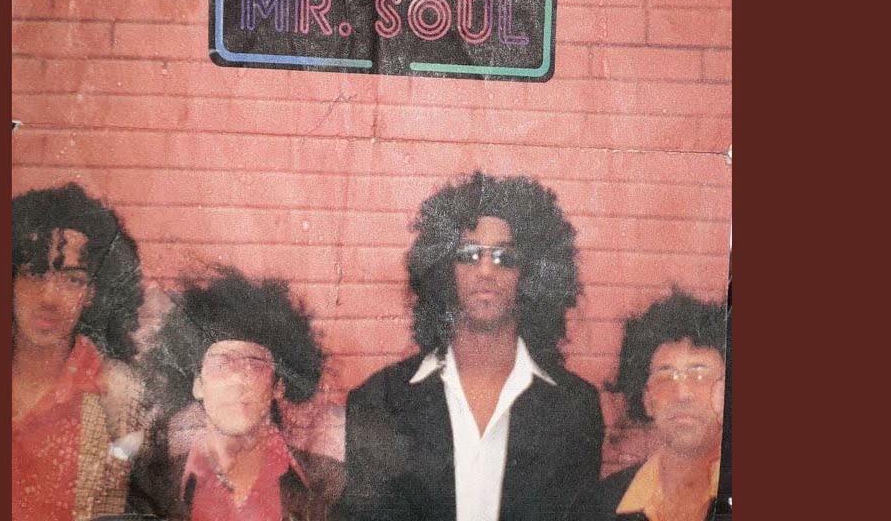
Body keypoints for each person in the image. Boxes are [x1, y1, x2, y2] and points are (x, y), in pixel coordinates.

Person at [336, 171, 605, 521]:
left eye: (504, 257)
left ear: (531, 274)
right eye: (469, 254)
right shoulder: (380, 400)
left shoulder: (576, 408)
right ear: (443, 270)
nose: (486, 271)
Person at [127, 266, 344, 520]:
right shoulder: (153, 487)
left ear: (278, 386)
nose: (238, 379)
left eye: (254, 364)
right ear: (197, 384)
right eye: (221, 364)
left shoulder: (330, 486)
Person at [12, 183, 146, 521]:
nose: (49, 298)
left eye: (73, 280)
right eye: (35, 274)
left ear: (92, 293)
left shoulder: (118, 393)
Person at [582, 290, 727, 521]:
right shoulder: (604, 502)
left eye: (699, 375)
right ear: (647, 400)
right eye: (665, 376)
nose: (682, 394)